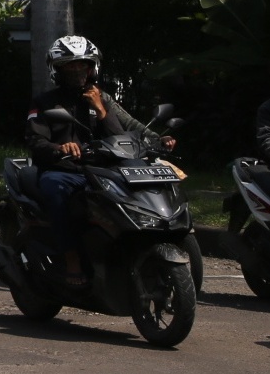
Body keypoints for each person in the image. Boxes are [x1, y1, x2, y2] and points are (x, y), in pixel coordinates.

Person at [27, 36, 172, 289]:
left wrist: (157, 139)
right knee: (55, 189)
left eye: (83, 65)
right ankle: (71, 259)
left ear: (92, 68)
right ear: (57, 69)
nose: (77, 71)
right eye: (70, 66)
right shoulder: (45, 103)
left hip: (105, 169)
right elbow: (35, 140)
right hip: (64, 170)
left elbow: (127, 131)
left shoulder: (102, 98)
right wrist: (59, 148)